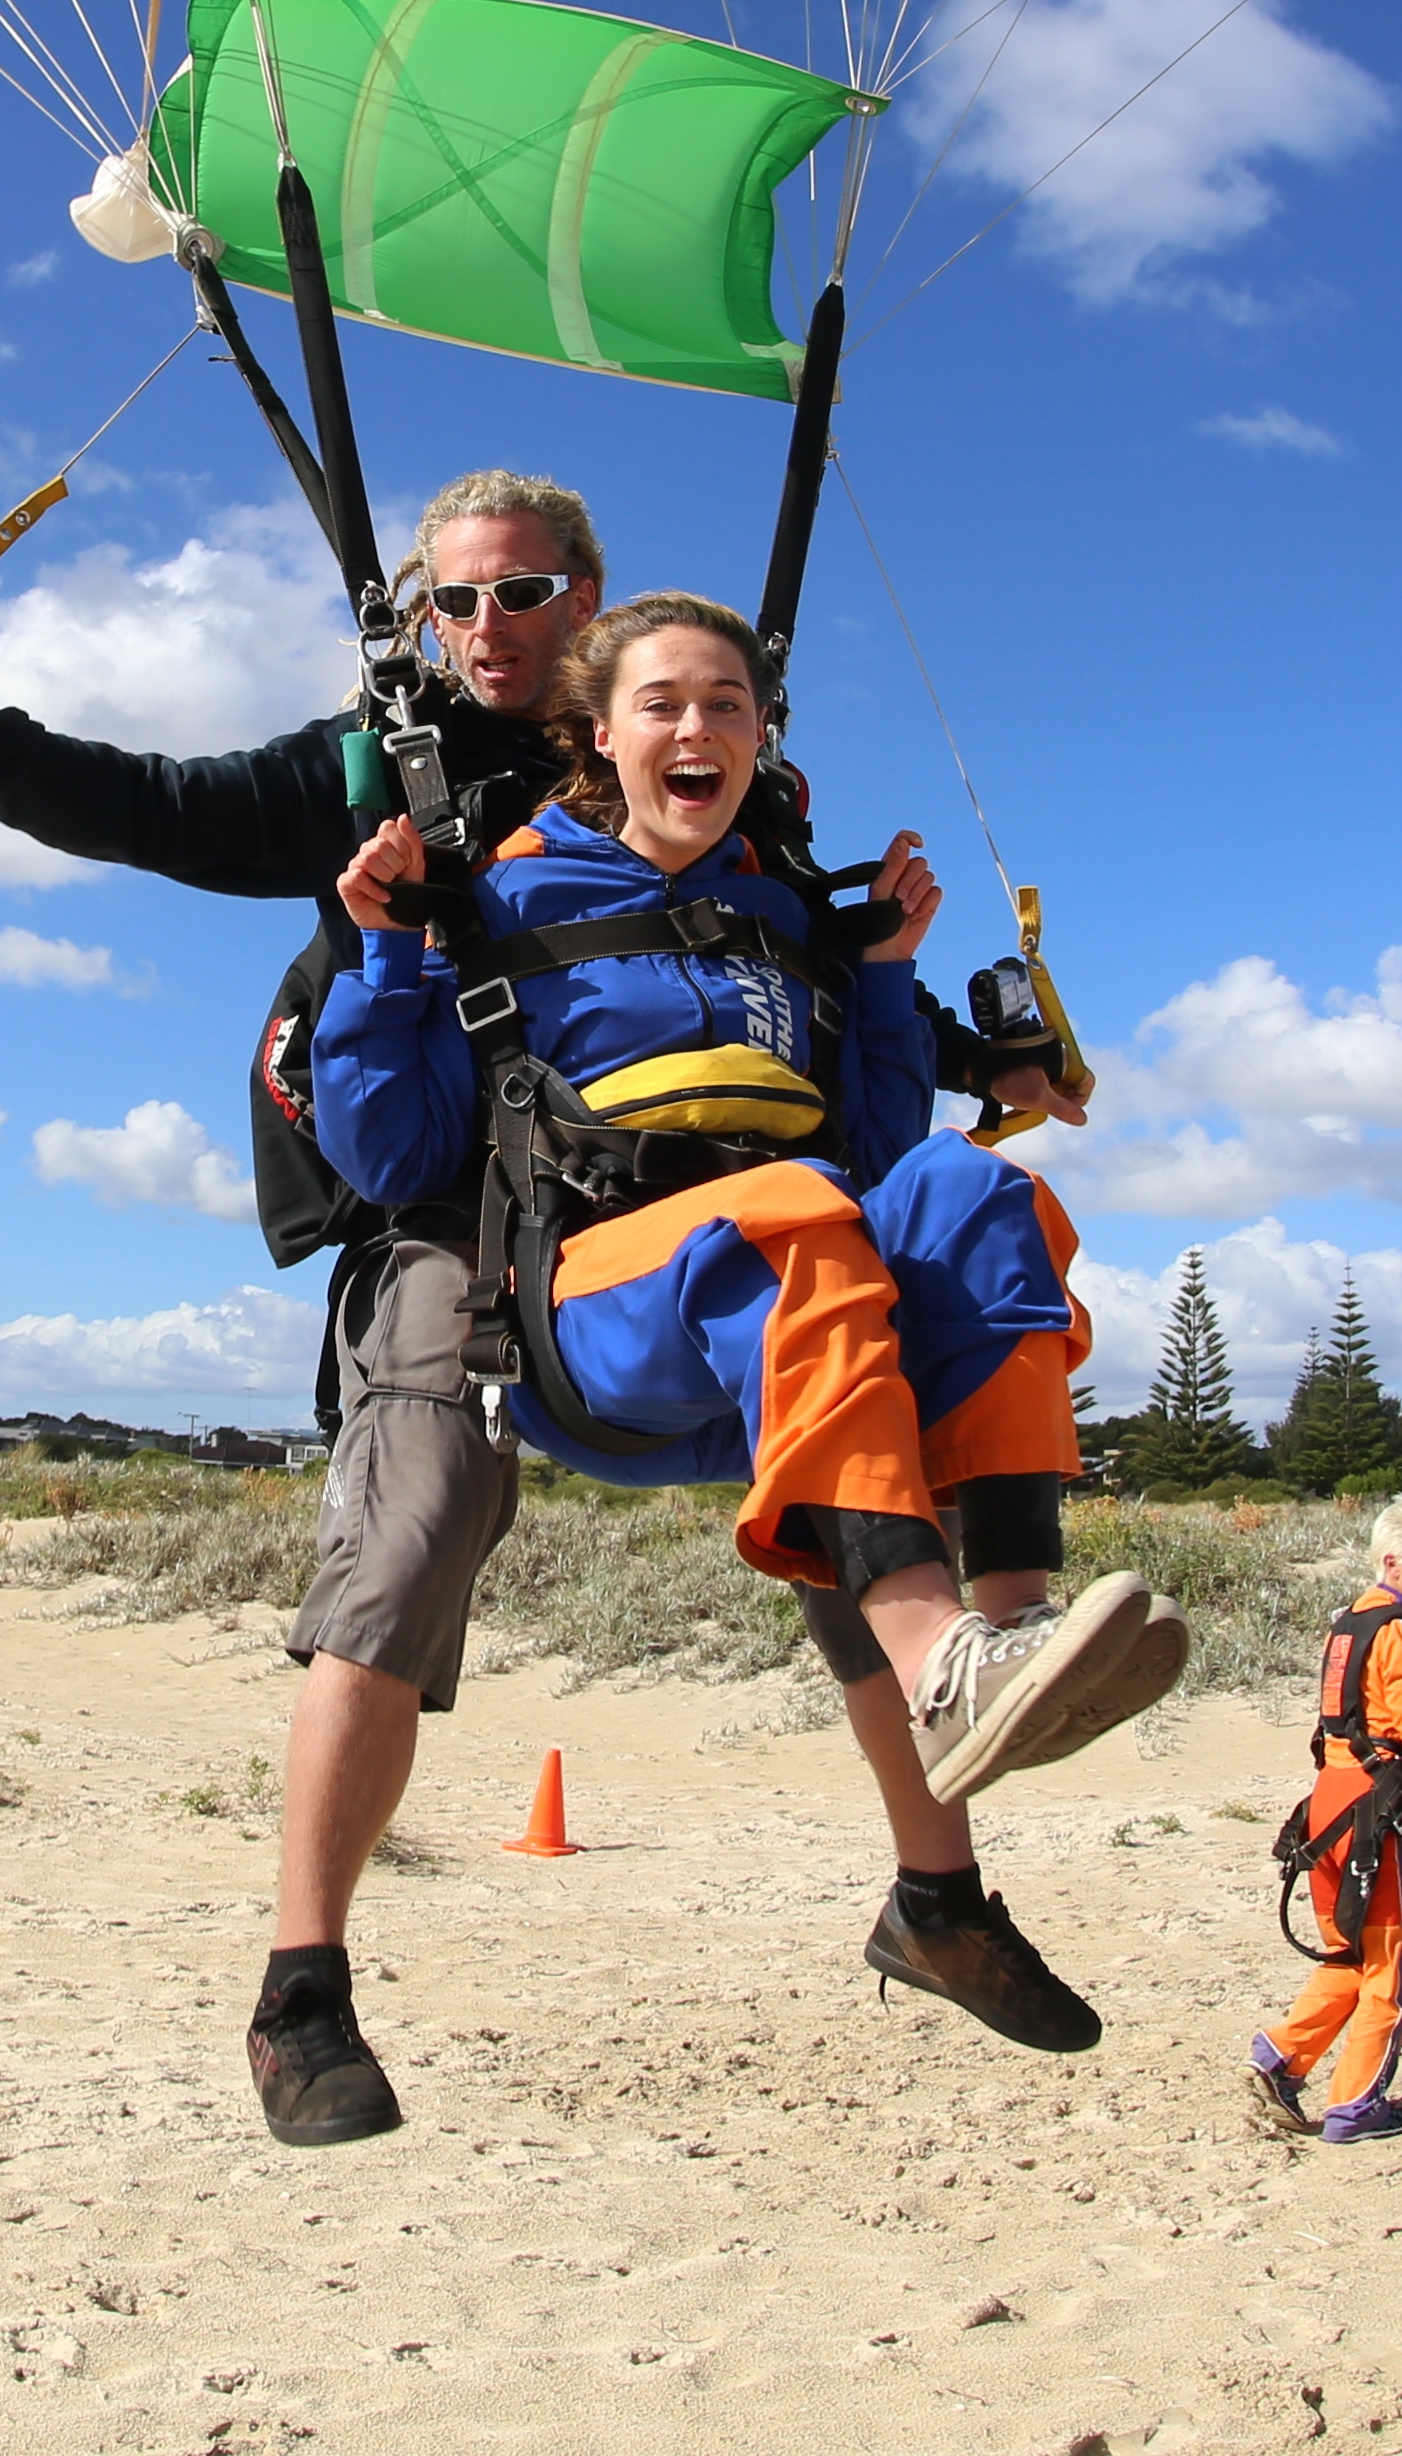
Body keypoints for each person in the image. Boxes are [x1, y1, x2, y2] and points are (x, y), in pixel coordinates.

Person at [0, 476, 1084, 2148]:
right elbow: (148, 803)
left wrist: (972, 1046)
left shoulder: (709, 766)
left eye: (526, 596)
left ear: (582, 602)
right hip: (451, 1188)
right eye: (456, 603)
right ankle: (302, 1981)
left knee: (854, 1387)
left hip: (710, 1198)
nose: (490, 629)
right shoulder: (374, 764)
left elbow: (764, 970)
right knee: (411, 1525)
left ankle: (941, 1876)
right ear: (410, 616)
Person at [320, 592, 1183, 2036]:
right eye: (661, 702)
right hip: (589, 1312)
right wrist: (389, 955)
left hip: (778, 1310)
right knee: (789, 1211)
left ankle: (1015, 1628)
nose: (696, 726)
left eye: (725, 703)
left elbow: (876, 1141)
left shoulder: (783, 919)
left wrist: (888, 970)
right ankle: (938, 1665)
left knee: (975, 1198)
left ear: (759, 733)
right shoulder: (494, 892)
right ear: (599, 734)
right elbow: (395, 1152)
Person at [1249, 1493, 1402, 2145]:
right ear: (1392, 1559)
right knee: (1392, 1968)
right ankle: (1355, 2106)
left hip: (1328, 1804)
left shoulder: (1346, 1624)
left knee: (1350, 1949)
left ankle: (1280, 2059)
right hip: (1377, 1812)